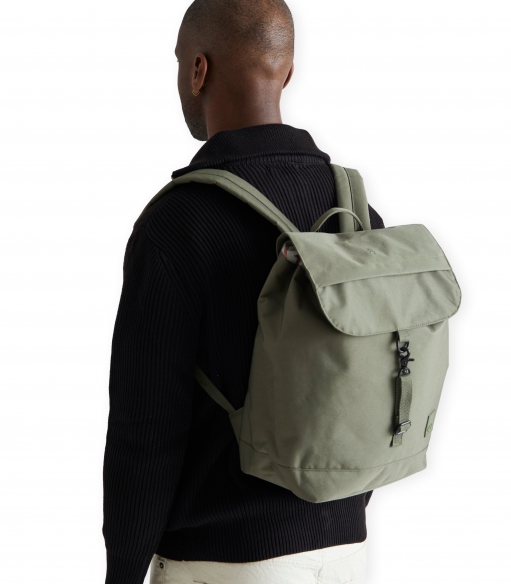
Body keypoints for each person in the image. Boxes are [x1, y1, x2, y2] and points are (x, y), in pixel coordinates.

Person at [102, 1, 384, 583]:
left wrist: (122, 571)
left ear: (198, 71)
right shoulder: (353, 209)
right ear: (287, 71)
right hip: (346, 554)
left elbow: (146, 431)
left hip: (221, 562)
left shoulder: (178, 224)